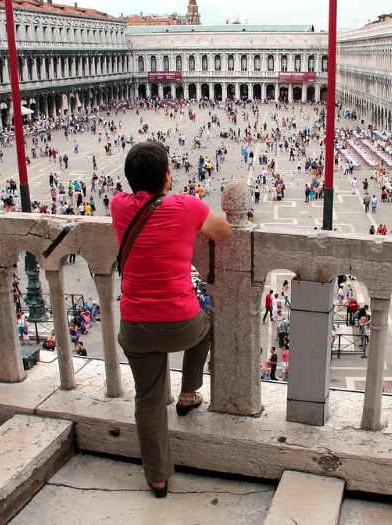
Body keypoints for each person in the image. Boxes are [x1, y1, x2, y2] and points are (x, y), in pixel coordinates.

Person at [112, 141, 232, 499]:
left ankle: (159, 478)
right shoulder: (186, 206)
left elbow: (134, 200)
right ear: (167, 176)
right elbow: (223, 230)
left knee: (147, 402)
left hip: (134, 325)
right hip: (181, 324)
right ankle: (188, 391)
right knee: (206, 327)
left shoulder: (118, 206)